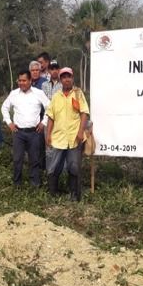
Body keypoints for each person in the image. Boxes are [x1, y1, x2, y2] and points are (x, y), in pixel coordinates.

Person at [46, 67, 89, 201]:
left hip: (74, 138)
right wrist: (48, 135)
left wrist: (81, 132)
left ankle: (74, 196)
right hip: (58, 138)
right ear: (60, 80)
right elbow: (51, 117)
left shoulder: (78, 93)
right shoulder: (56, 96)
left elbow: (84, 114)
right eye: (64, 77)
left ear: (72, 78)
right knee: (54, 167)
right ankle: (53, 194)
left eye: (68, 76)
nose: (67, 79)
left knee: (74, 167)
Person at [1, 70, 50, 187]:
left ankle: (35, 183)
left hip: (34, 132)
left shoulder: (38, 93)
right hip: (19, 133)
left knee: (34, 159)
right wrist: (9, 122)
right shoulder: (14, 94)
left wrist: (43, 122)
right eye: (20, 80)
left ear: (30, 81)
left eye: (24, 80)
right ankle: (17, 183)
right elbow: (4, 107)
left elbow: (50, 107)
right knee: (17, 159)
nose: (21, 83)